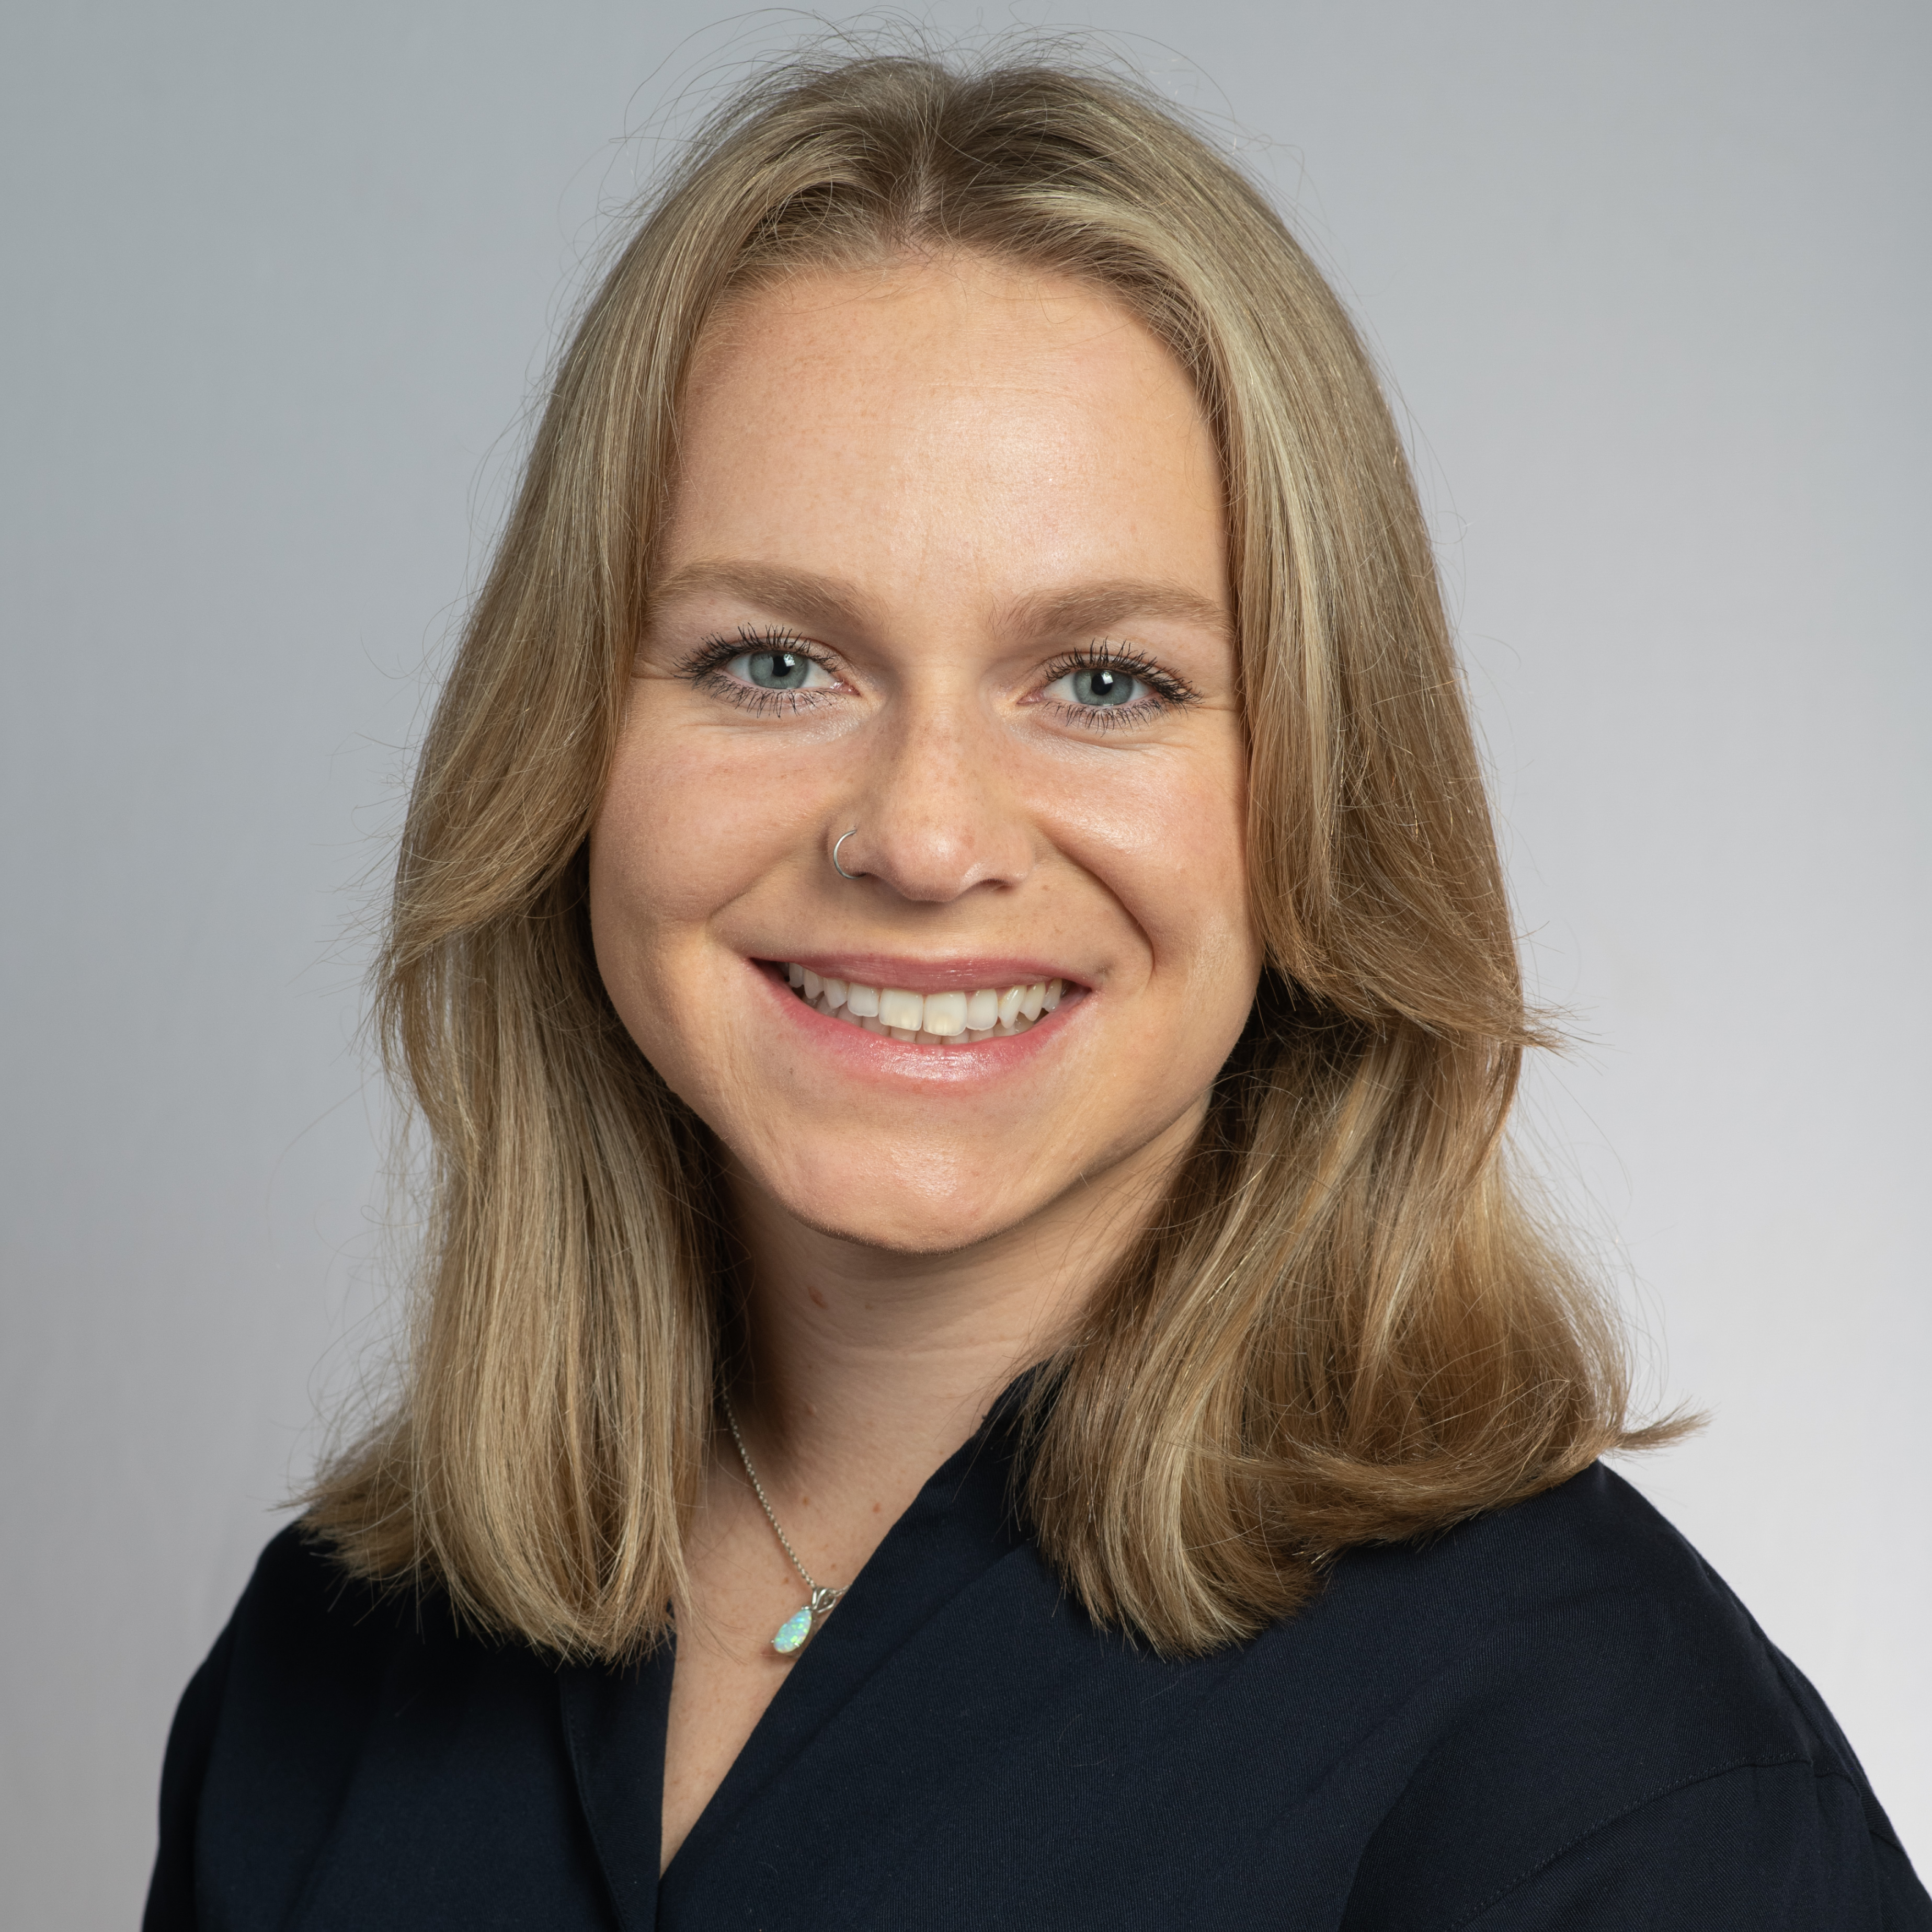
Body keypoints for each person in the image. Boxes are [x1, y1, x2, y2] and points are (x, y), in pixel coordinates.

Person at [143, 47, 1929, 1930]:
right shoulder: (320, 1688)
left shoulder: (1607, 1772)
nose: (922, 839)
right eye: (768, 662)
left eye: (1104, 682)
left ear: (1317, 801)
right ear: (569, 748)